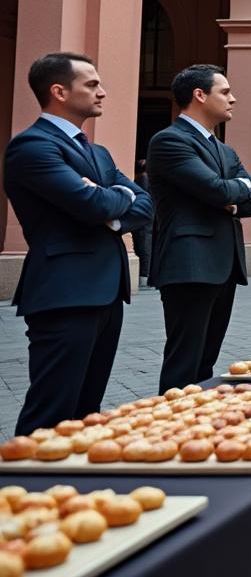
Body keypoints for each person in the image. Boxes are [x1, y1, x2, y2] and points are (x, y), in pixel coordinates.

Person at [4, 52, 153, 434]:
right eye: (91, 85)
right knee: (51, 413)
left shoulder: (96, 151)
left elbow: (146, 204)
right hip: (65, 293)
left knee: (88, 412)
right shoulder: (32, 146)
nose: (102, 92)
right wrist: (112, 197)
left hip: (106, 292)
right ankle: (25, 490)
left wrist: (109, 200)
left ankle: (73, 492)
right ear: (59, 91)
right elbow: (90, 204)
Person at [147, 64, 251, 393]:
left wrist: (230, 195)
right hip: (189, 263)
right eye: (225, 92)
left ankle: (196, 428)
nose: (233, 98)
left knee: (205, 360)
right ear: (199, 95)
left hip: (223, 264)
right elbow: (216, 188)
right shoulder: (169, 141)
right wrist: (232, 191)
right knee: (184, 360)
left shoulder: (224, 149)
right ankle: (170, 425)